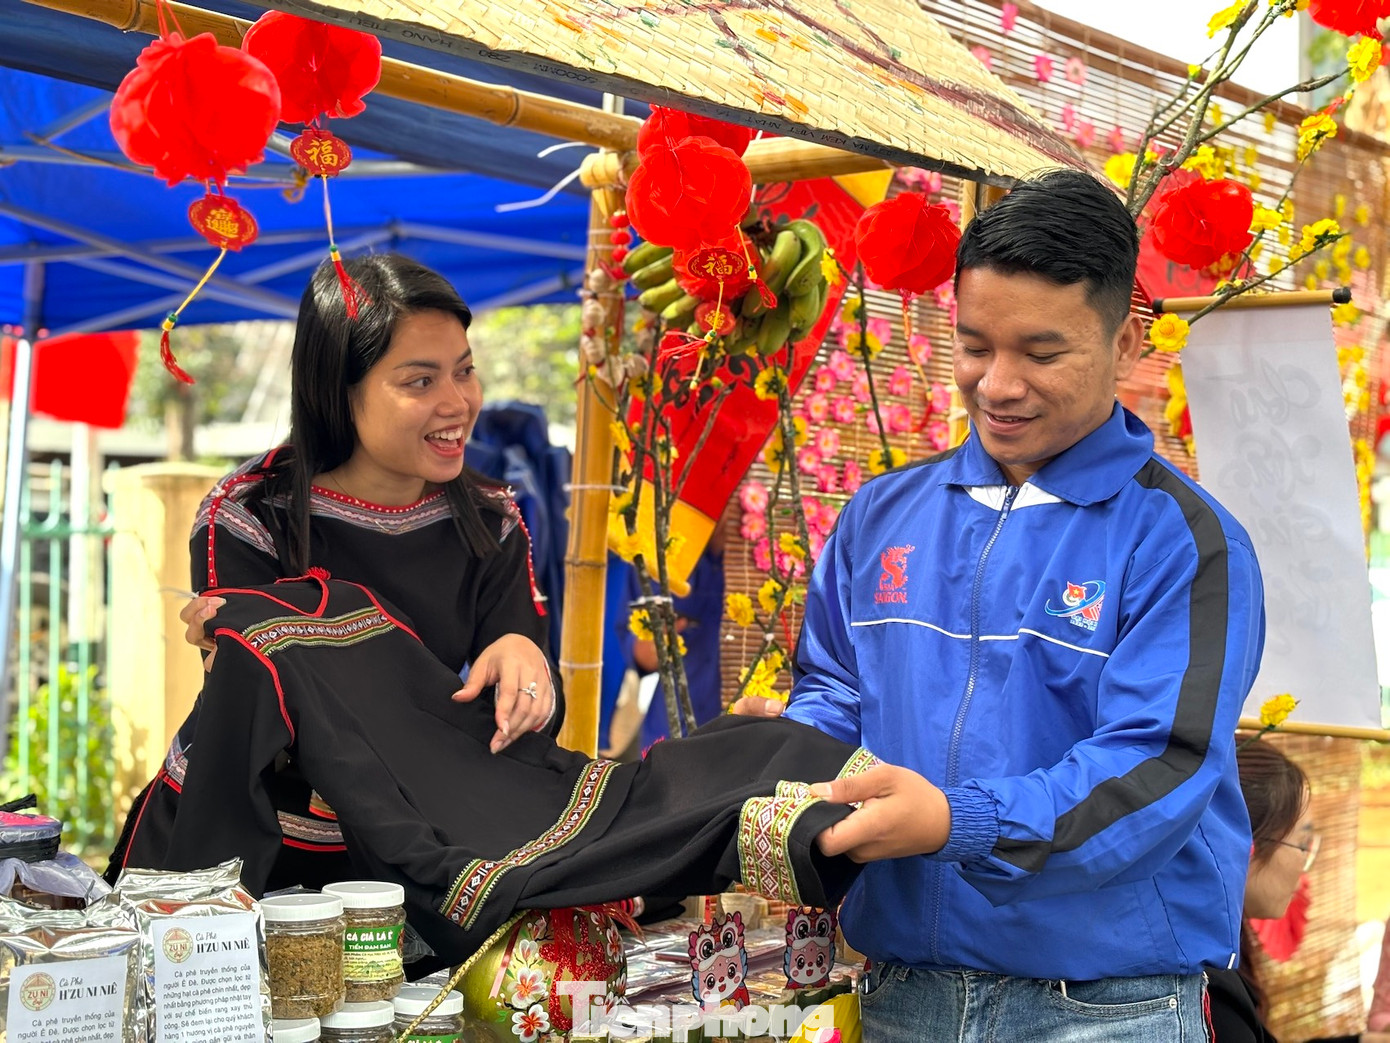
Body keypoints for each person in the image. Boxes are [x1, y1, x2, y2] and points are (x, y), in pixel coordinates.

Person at [738, 169, 1266, 1039]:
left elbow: (1156, 768)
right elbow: (833, 686)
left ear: (1128, 341)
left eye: (1042, 352)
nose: (998, 384)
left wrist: (959, 821)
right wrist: (798, 746)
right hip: (902, 990)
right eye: (975, 344)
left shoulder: (1183, 541)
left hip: (1105, 1007)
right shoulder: (881, 515)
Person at [107, 253, 559, 889]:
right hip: (241, 852)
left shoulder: (493, 521)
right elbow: (268, 713)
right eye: (420, 382)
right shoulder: (247, 515)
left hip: (413, 853)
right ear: (339, 390)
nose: (458, 402)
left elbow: (508, 716)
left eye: (465, 371)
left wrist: (525, 667)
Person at [1208, 739, 1387, 1043]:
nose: (1305, 866)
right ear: (1245, 844)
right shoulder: (1204, 982)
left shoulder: (1221, 953)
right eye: (1303, 844)